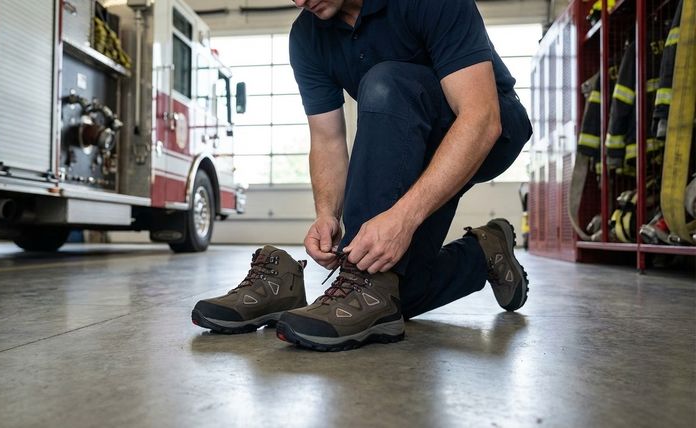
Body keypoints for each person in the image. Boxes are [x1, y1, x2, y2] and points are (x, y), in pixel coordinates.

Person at [192, 0, 533, 351]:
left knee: (385, 82)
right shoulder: (307, 35)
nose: (300, 0)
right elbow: (327, 139)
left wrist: (403, 218)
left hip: (490, 128)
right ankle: (482, 253)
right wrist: (327, 215)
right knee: (397, 292)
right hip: (405, 140)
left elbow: (482, 117)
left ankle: (360, 281)